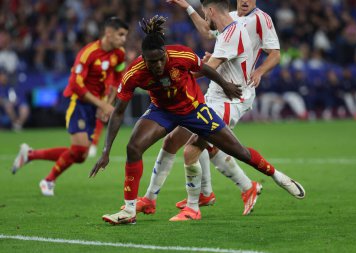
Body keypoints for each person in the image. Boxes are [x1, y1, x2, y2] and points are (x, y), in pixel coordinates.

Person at [90, 15, 303, 225]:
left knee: (239, 151)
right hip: (161, 111)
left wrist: (226, 84)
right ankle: (130, 210)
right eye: (151, 62)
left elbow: (204, 68)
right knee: (134, 148)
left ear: (165, 53)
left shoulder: (181, 55)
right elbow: (118, 112)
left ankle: (277, 177)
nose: (156, 65)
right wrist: (106, 150)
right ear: (143, 59)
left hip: (194, 110)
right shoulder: (134, 73)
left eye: (160, 60)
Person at [167, 0, 305, 221]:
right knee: (202, 143)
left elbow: (273, 54)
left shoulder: (254, 22)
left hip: (232, 99)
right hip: (216, 94)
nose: (244, 1)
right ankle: (215, 192)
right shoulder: (231, 19)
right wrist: (187, 7)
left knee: (194, 148)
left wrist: (171, 76)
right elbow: (207, 31)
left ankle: (194, 207)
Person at [11, 17, 129, 196]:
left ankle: (30, 155)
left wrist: (108, 103)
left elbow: (117, 79)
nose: (123, 39)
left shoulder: (119, 53)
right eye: (120, 35)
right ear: (109, 33)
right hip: (79, 103)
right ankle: (48, 180)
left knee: (80, 156)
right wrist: (102, 105)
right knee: (81, 149)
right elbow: (75, 85)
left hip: (96, 104)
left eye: (125, 35)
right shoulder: (88, 53)